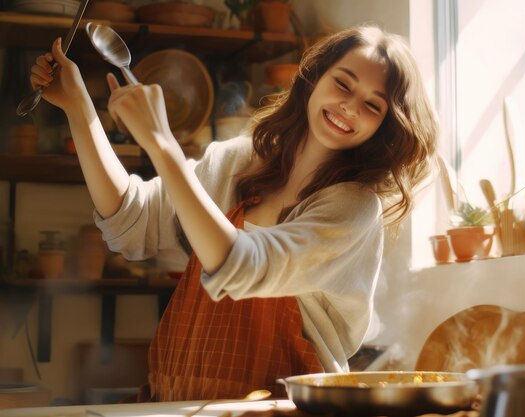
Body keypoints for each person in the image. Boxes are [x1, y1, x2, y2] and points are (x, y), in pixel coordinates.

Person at [29, 24, 438, 402]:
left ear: (385, 125)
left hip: (286, 407)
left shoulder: (353, 207)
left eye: (372, 105)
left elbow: (244, 264)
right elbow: (131, 221)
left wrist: (163, 146)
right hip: (183, 401)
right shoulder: (235, 161)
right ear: (314, 77)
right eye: (342, 84)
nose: (349, 106)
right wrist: (78, 108)